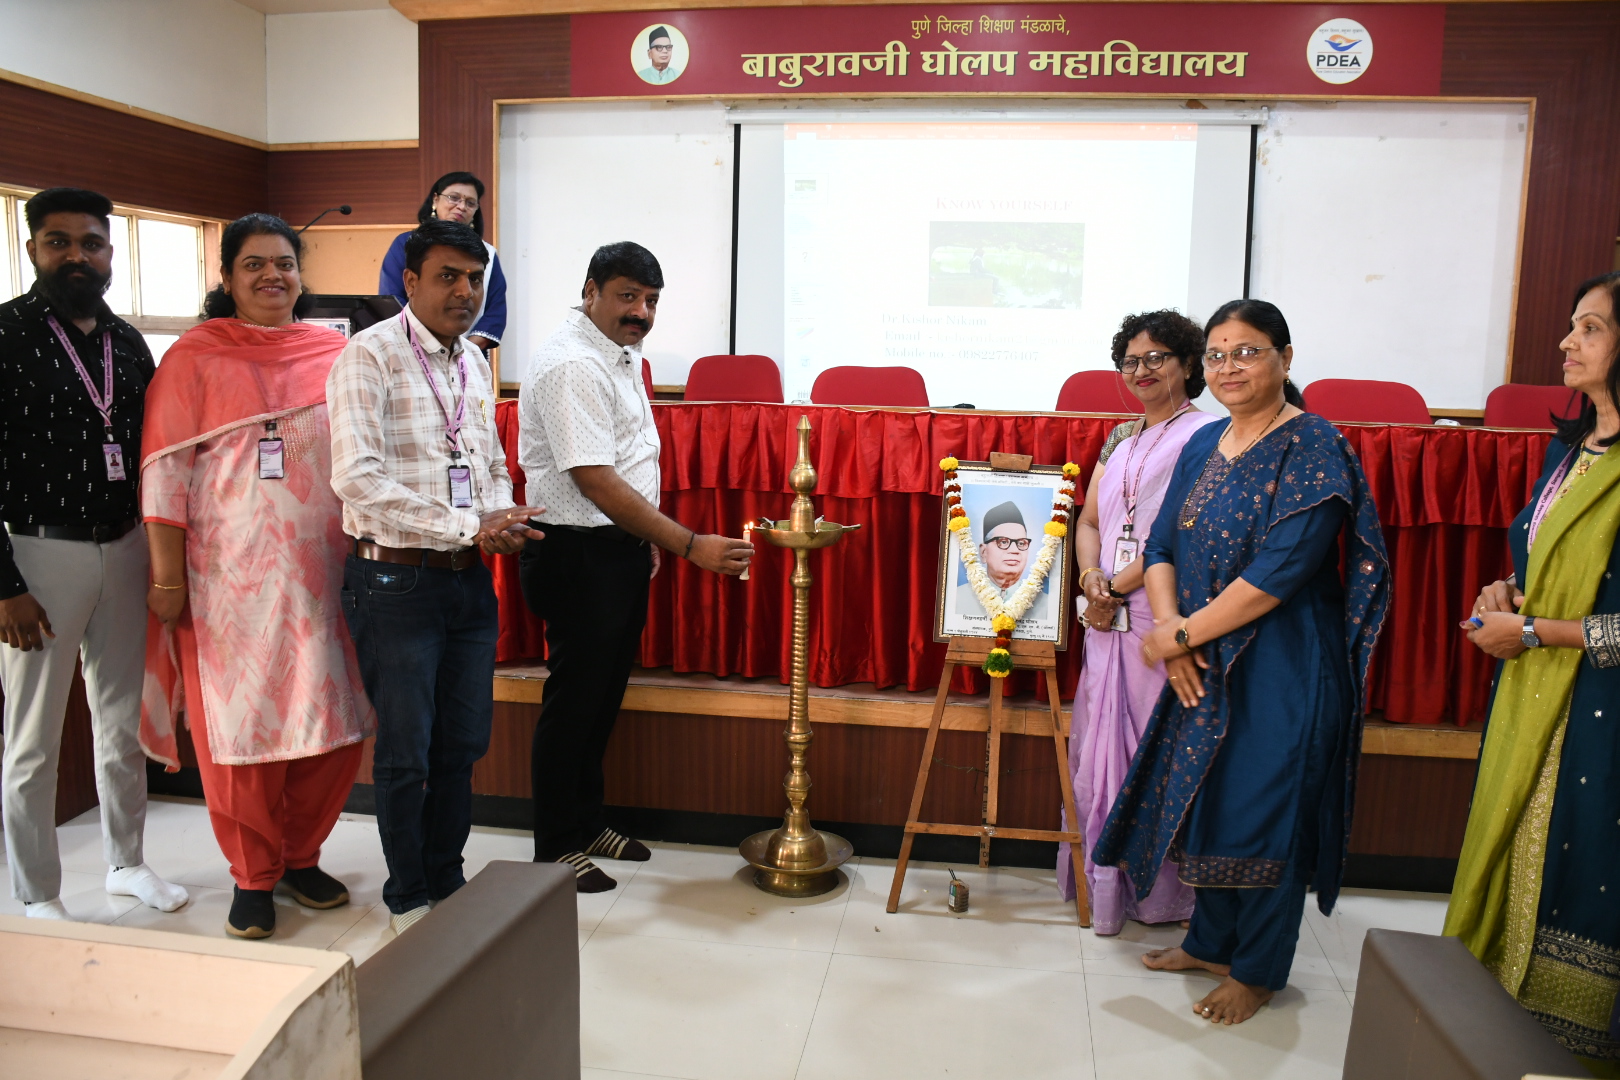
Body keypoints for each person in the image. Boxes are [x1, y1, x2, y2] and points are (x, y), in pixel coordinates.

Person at [1092, 299, 1390, 1025]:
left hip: (1285, 666)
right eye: (1218, 354)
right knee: (1209, 798)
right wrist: (1172, 628)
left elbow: (1281, 570)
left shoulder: (1313, 444)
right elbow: (1162, 544)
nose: (1230, 367)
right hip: (1202, 655)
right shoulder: (1205, 443)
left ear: (1285, 359)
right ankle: (1210, 943)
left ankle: (1256, 972)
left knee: (1268, 810)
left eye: (1248, 351)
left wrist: (1178, 638)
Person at [140, 214, 375, 939]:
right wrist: (167, 579)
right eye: (254, 264)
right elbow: (163, 476)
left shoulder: (336, 353)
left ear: (301, 275)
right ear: (227, 277)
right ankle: (252, 875)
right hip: (229, 584)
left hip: (327, 574)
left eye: (284, 263)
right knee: (244, 731)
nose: (273, 275)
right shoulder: (194, 358)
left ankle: (302, 856)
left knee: (332, 722)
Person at [330, 219, 541, 935]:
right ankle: (408, 893)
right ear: (410, 281)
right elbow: (356, 478)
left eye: (474, 279)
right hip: (395, 583)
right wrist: (466, 525)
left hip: (466, 577)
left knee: (463, 742)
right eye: (448, 276)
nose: (464, 291)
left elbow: (489, 461)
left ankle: (448, 877)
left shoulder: (473, 360)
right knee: (407, 750)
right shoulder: (369, 354)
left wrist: (499, 515)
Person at [519, 241, 751, 891]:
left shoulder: (616, 353)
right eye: (627, 296)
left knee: (601, 699)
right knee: (574, 703)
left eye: (650, 301)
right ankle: (556, 845)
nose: (641, 313)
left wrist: (641, 540)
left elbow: (626, 461)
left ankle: (588, 822)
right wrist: (687, 544)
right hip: (575, 553)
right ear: (590, 290)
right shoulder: (572, 364)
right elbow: (594, 479)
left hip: (614, 550)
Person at [1446, 271, 1620, 1070]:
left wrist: (1533, 631)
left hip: (1599, 716)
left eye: (1591, 328)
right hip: (1533, 694)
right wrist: (1505, 594)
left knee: (1578, 870)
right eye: (1573, 325)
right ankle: (1495, 1045)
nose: (1566, 341)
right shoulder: (1571, 447)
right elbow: (1543, 564)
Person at [0, 187, 187, 920]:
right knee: (33, 739)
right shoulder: (6, 333)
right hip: (37, 555)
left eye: (91, 243)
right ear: (33, 250)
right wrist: (4, 586)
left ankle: (127, 862)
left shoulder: (127, 342)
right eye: (59, 242)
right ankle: (37, 893)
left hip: (126, 545)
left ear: (109, 253)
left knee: (121, 721)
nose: (77, 256)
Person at [1059, 309, 1220, 933]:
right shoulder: (1121, 440)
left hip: (1161, 611)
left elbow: (1179, 533)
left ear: (1188, 364)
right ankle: (1103, 888)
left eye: (1156, 357)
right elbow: (1090, 521)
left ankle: (1160, 897)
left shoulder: (1206, 435)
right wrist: (1089, 579)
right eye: (1130, 360)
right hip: (1106, 613)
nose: (1141, 370)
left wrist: (1115, 587)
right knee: (1098, 748)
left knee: (1157, 752)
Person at [379, 173, 506, 356]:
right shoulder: (406, 244)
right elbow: (392, 301)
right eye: (454, 198)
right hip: (408, 351)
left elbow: (495, 314)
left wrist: (458, 354)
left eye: (470, 203)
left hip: (466, 357)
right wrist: (427, 348)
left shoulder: (488, 254)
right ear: (435, 200)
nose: (461, 206)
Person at [954, 501, 1050, 621]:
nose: (1014, 550)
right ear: (984, 552)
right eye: (1003, 542)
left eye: (1021, 543)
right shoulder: (957, 599)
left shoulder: (1047, 605)